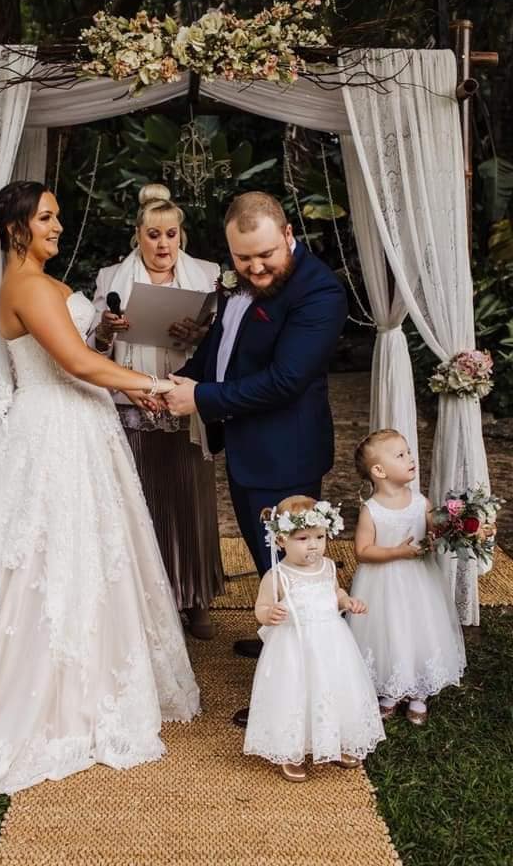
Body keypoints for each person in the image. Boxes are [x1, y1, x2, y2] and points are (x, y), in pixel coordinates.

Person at [0, 182, 199, 830]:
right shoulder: (28, 287)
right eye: (47, 217)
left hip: (71, 423)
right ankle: (56, 690)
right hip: (55, 432)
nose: (58, 225)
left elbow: (84, 356)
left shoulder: (33, 284)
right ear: (17, 228)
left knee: (76, 555)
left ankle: (84, 673)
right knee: (54, 556)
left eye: (56, 215)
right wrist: (151, 383)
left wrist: (120, 368)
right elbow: (75, 362)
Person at [165, 191, 347, 723]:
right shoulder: (239, 283)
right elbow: (223, 347)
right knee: (273, 570)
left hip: (286, 454)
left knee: (298, 581)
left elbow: (286, 380)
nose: (255, 268)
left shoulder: (320, 292)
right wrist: (182, 380)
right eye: (243, 259)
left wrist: (200, 399)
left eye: (265, 255)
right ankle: (278, 639)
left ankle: (296, 702)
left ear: (288, 234)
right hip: (248, 449)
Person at [90, 184, 224, 639]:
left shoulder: (207, 275)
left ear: (181, 235)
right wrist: (106, 330)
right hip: (133, 402)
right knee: (142, 502)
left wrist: (199, 334)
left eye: (171, 234)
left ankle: (197, 596)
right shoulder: (111, 278)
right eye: (153, 235)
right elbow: (93, 350)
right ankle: (148, 602)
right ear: (138, 236)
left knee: (191, 500)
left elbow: (223, 343)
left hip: (186, 398)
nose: (163, 244)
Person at [243, 495, 385, 782]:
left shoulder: (328, 567)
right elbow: (261, 606)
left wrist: (346, 602)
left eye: (320, 537)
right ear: (281, 540)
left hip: (331, 644)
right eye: (303, 538)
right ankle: (290, 750)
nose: (313, 545)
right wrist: (269, 613)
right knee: (294, 694)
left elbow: (336, 592)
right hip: (293, 647)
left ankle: (334, 740)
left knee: (334, 689)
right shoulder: (278, 576)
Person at [348, 429, 466, 725]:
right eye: (400, 455)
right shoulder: (371, 510)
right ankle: (391, 688)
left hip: (419, 581)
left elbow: (435, 531)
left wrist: (455, 529)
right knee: (389, 630)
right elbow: (362, 551)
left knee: (419, 626)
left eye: (408, 452)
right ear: (379, 471)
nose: (411, 458)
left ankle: (419, 692)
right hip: (382, 583)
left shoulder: (420, 502)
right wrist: (396, 552)